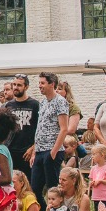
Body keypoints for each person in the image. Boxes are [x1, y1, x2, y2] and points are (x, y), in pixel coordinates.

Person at [26, 72, 70, 203]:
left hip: (52, 149)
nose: (40, 86)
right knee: (35, 188)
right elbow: (40, 127)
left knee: (52, 188)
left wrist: (54, 151)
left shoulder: (60, 102)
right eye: (39, 83)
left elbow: (64, 128)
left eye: (43, 83)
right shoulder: (43, 102)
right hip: (40, 150)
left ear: (52, 84)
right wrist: (35, 151)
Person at [2, 75, 41, 180]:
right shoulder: (8, 106)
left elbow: (40, 129)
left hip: (27, 151)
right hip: (11, 149)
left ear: (26, 87)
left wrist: (33, 147)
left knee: (28, 183)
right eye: (14, 85)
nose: (16, 87)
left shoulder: (35, 105)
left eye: (19, 85)